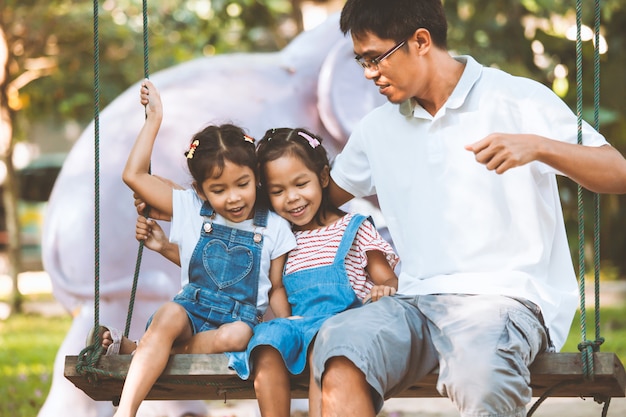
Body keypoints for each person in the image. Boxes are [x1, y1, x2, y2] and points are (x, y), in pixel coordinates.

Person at [311, 1, 626, 417]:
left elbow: (617, 172)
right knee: (341, 346)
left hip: (504, 299)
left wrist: (538, 146)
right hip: (414, 300)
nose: (369, 73)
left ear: (421, 41)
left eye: (376, 58)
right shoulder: (376, 129)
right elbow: (313, 204)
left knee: (480, 373)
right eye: (360, 61)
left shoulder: (517, 98)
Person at [108, 79, 296, 417]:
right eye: (219, 189)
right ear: (201, 190)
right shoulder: (192, 209)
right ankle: (125, 411)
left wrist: (294, 326)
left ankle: (152, 349)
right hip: (189, 311)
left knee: (238, 335)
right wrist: (154, 120)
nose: (234, 197)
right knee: (167, 315)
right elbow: (134, 176)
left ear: (257, 176)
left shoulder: (276, 227)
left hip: (235, 323)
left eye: (242, 183)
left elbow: (276, 285)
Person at [226, 127, 399, 417]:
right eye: (278, 191)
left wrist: (384, 289)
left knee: (327, 344)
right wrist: (286, 325)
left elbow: (388, 279)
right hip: (301, 326)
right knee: (267, 340)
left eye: (300, 184)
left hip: (345, 326)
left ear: (321, 177)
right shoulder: (281, 237)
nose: (292, 198)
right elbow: (277, 286)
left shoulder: (353, 227)